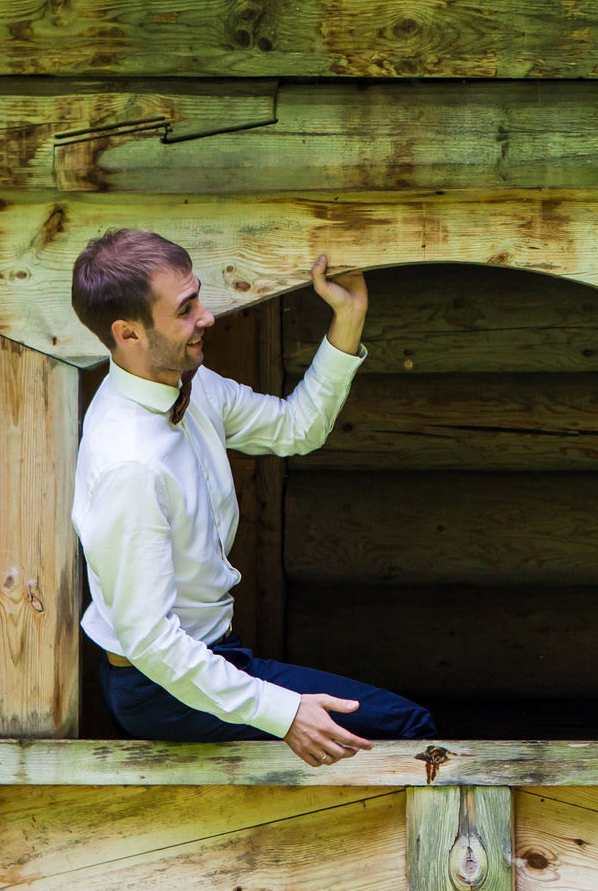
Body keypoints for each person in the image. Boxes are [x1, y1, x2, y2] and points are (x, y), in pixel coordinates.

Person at [69, 228, 434, 767]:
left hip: (213, 656)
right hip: (160, 687)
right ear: (129, 334)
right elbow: (150, 643)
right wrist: (282, 712)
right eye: (186, 308)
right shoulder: (129, 464)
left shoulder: (188, 383)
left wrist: (348, 316)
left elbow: (294, 428)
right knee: (408, 729)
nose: (208, 317)